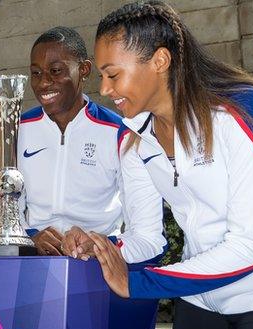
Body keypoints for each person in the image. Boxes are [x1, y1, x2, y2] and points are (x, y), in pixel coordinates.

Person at [84, 2, 253, 329]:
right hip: (200, 301)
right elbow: (147, 238)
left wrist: (137, 284)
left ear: (160, 61)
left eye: (113, 74)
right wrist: (101, 249)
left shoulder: (241, 109)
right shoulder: (133, 140)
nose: (104, 89)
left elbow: (250, 248)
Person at [18, 26, 166, 262]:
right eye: (36, 73)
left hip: (97, 265)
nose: (44, 83)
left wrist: (99, 244)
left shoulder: (120, 132)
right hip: (34, 262)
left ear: (84, 69)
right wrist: (29, 238)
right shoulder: (17, 129)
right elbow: (6, 211)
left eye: (56, 71)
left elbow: (147, 235)